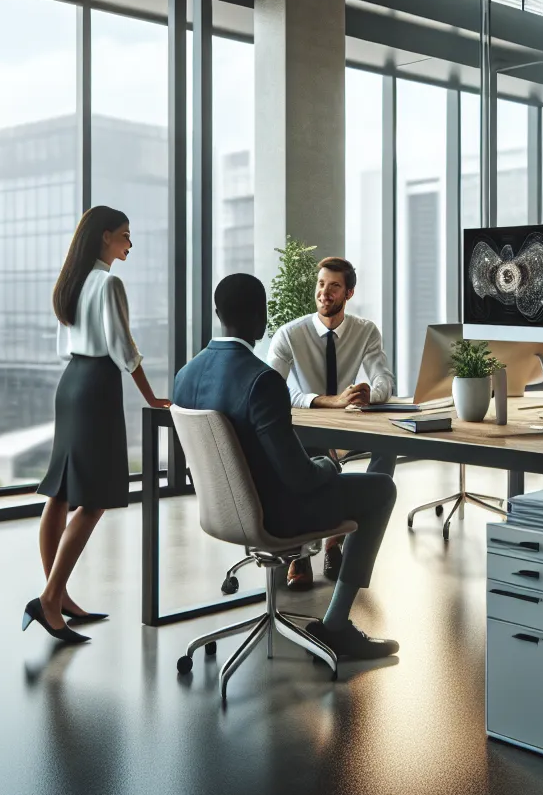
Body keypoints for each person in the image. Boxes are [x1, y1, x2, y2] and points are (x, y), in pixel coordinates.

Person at [171, 273, 400, 661]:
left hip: (222, 513)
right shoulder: (262, 381)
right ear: (262, 319)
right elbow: (299, 478)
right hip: (276, 514)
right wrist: (330, 466)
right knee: (381, 489)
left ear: (216, 313)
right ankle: (336, 626)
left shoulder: (185, 376)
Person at [23, 206, 169, 644]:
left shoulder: (71, 282)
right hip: (98, 387)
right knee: (95, 499)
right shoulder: (108, 282)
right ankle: (50, 600)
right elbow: (125, 349)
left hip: (71, 383)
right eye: (125, 234)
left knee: (63, 492)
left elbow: (63, 346)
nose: (130, 243)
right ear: (105, 237)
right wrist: (151, 396)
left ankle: (59, 595)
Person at [266, 257, 396, 591]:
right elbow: (271, 391)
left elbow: (384, 378)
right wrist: (324, 400)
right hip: (305, 428)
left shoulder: (365, 331)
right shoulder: (290, 334)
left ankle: (342, 539)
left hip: (347, 425)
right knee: (306, 455)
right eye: (321, 285)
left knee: (389, 447)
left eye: (334, 286)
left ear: (349, 293)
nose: (324, 293)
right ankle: (300, 554)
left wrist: (372, 394)